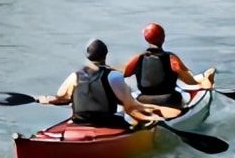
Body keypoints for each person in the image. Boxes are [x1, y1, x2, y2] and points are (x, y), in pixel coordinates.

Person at [37, 39, 166, 128]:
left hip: (79, 121)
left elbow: (61, 98)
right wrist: (150, 114)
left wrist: (44, 99)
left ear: (88, 57)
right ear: (105, 55)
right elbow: (130, 106)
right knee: (131, 121)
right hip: (106, 122)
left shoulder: (75, 76)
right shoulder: (114, 76)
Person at [122, 22, 215, 109]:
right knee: (197, 85)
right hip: (168, 100)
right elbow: (189, 81)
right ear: (163, 39)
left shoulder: (137, 58)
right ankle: (207, 79)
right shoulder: (171, 58)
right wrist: (201, 82)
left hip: (143, 100)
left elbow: (124, 75)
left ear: (146, 39)